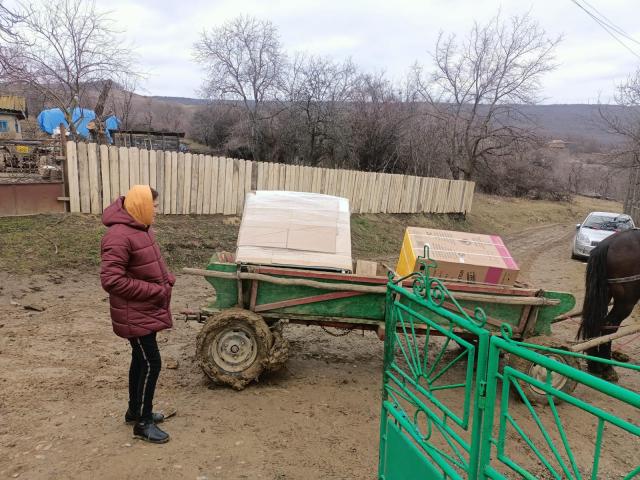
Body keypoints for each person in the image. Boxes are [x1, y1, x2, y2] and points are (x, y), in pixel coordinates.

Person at [100, 185, 175, 444]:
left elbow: (148, 264)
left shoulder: (142, 229)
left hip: (145, 309)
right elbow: (111, 280)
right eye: (154, 206)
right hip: (134, 313)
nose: (157, 211)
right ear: (141, 206)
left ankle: (135, 411)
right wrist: (155, 290)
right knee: (151, 362)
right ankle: (143, 424)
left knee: (140, 360)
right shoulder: (118, 236)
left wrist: (166, 279)